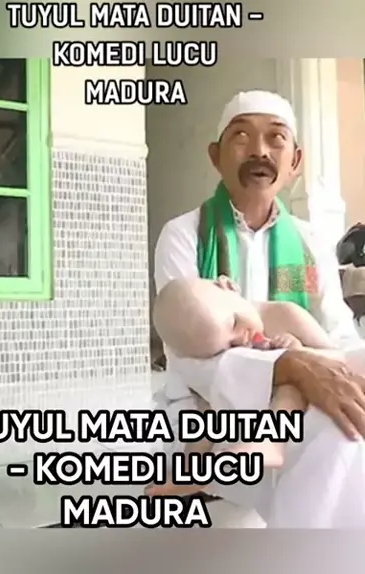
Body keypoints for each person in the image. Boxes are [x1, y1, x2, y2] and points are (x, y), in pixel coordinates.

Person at [152, 90, 365, 527]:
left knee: (349, 420)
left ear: (296, 160)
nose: (259, 151)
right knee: (341, 434)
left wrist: (320, 368)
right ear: (215, 156)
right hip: (206, 408)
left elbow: (339, 335)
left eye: (276, 138)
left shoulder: (310, 241)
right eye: (241, 136)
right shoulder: (183, 234)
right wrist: (287, 367)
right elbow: (188, 353)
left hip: (301, 387)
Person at [147, 277, 342, 496]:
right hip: (248, 403)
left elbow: (333, 359)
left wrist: (297, 349)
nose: (242, 340)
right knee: (207, 410)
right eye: (227, 346)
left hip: (294, 393)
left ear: (229, 286)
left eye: (234, 323)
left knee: (291, 374)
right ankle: (193, 470)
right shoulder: (206, 345)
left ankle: (270, 442)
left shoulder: (285, 314)